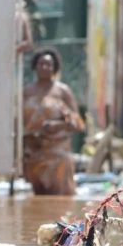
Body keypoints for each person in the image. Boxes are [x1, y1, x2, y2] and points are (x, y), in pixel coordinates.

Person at [23, 48, 85, 195]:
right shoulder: (26, 92)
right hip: (34, 152)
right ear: (34, 66)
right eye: (41, 64)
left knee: (60, 200)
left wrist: (58, 125)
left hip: (58, 154)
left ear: (55, 68)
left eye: (48, 64)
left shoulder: (62, 91)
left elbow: (78, 122)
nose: (44, 67)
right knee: (39, 201)